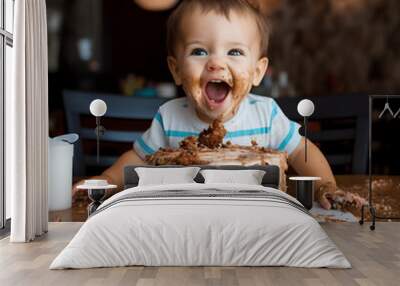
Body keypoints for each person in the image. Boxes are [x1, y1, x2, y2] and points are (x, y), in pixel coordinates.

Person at [73, 0, 365, 210]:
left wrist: (326, 185)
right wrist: (107, 179)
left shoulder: (266, 114)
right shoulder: (170, 117)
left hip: (258, 219)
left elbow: (302, 151)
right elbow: (137, 159)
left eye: (235, 51)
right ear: (176, 70)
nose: (215, 62)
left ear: (257, 72)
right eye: (199, 51)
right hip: (187, 218)